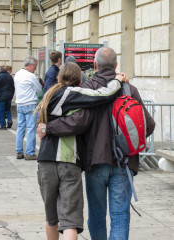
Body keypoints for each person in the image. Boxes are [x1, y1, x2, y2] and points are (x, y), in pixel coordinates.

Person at [37, 47, 155, 240]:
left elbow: (78, 123)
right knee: (120, 216)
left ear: (94, 65)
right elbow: (148, 126)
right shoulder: (128, 89)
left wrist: (47, 128)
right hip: (124, 162)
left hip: (95, 162)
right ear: (116, 65)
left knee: (97, 215)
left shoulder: (86, 88)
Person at [14, 57, 42, 160]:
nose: (35, 68)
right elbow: (39, 90)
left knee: (20, 128)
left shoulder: (17, 74)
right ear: (30, 65)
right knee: (30, 129)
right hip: (30, 104)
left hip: (19, 104)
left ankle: (19, 151)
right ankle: (30, 153)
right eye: (35, 66)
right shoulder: (31, 76)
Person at [0, 65, 15, 129]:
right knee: (8, 109)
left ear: (0, 70)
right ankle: (9, 120)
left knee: (1, 110)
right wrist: (12, 94)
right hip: (9, 96)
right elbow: (13, 87)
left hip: (2, 96)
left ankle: (3, 125)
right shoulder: (10, 77)